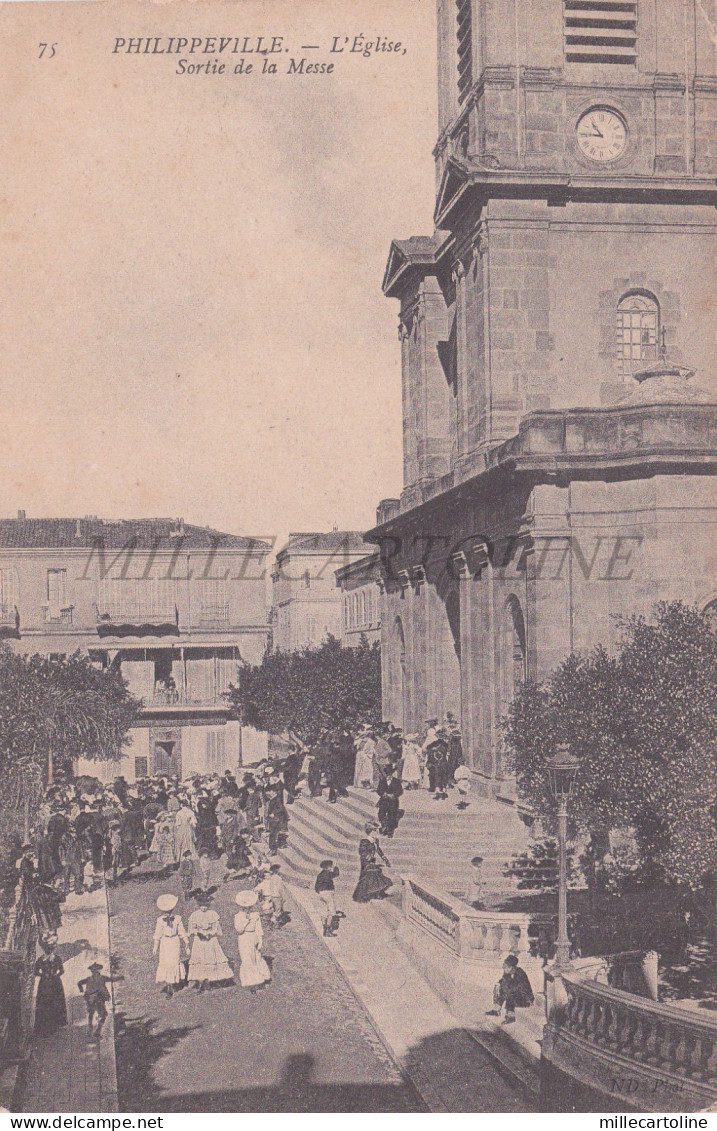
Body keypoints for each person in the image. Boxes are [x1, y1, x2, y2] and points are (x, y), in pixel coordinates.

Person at [187, 893, 234, 991]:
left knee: (210, 958)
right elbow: (191, 929)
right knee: (200, 960)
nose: (203, 908)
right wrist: (198, 933)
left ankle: (210, 981)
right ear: (198, 905)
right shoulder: (195, 915)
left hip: (210, 940)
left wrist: (210, 934)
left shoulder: (212, 914)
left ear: (208, 905)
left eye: (205, 906)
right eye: (201, 906)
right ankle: (200, 982)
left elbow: (215, 928)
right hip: (199, 940)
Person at [234, 890, 271, 993]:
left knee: (257, 958)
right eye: (245, 907)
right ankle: (252, 984)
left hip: (253, 937)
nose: (247, 909)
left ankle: (260, 979)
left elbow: (259, 929)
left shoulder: (255, 915)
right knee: (247, 959)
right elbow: (239, 929)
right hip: (244, 938)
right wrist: (246, 920)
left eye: (249, 907)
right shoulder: (238, 916)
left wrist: (260, 940)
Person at [153, 894, 189, 997]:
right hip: (165, 943)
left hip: (174, 942)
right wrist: (155, 946)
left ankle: (173, 982)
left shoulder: (177, 919)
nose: (168, 913)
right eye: (166, 911)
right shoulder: (160, 920)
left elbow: (182, 931)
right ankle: (169, 986)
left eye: (169, 910)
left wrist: (186, 943)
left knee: (174, 962)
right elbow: (158, 934)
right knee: (166, 963)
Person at [33, 933, 67, 1036]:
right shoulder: (40, 960)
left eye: (50, 949)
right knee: (44, 1003)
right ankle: (44, 1026)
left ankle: (55, 1023)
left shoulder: (56, 959)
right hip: (44, 984)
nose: (48, 951)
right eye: (47, 949)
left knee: (55, 1002)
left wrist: (55, 975)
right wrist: (44, 975)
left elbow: (62, 970)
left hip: (55, 983)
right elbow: (35, 972)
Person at [486, 954, 534, 1025]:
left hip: (525, 998)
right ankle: (496, 1010)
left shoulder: (520, 974)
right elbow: (503, 980)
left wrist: (507, 990)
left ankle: (511, 1017)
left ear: (511, 967)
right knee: (502, 988)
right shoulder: (507, 972)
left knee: (510, 994)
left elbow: (521, 990)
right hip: (515, 994)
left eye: (505, 967)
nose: (503, 969)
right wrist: (498, 984)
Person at [352, 824, 392, 903]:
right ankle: (362, 895)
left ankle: (377, 893)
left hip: (372, 861)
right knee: (366, 878)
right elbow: (361, 852)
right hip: (366, 862)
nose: (377, 832)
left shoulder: (376, 840)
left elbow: (378, 850)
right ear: (370, 832)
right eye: (375, 831)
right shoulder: (364, 841)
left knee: (375, 877)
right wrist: (368, 858)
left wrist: (385, 859)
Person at [77, 961, 112, 1036]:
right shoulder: (101, 978)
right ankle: (97, 1030)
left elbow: (79, 983)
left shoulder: (89, 979)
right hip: (97, 998)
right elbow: (111, 979)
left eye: (97, 970)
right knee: (103, 1014)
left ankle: (91, 1029)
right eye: (95, 970)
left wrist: (82, 991)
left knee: (91, 1013)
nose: (96, 971)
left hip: (91, 999)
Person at [255, 863, 287, 928]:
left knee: (274, 909)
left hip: (272, 896)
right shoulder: (278, 878)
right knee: (278, 910)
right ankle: (274, 923)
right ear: (277, 870)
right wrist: (283, 897)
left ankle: (272, 921)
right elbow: (280, 889)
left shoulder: (271, 878)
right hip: (278, 896)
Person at [315, 859, 340, 937]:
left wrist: (319, 892)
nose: (331, 867)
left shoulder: (320, 874)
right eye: (331, 866)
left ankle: (324, 928)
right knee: (331, 911)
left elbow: (316, 886)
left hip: (320, 893)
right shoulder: (328, 874)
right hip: (327, 893)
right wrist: (336, 867)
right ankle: (328, 930)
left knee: (324, 911)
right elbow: (336, 874)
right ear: (328, 867)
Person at [377, 768, 403, 837]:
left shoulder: (396, 781)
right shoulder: (382, 781)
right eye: (387, 774)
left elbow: (400, 791)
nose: (389, 775)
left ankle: (390, 832)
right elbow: (379, 790)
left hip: (393, 802)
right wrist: (383, 794)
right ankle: (384, 827)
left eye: (390, 774)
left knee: (391, 817)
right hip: (384, 801)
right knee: (381, 814)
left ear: (392, 774)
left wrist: (393, 795)